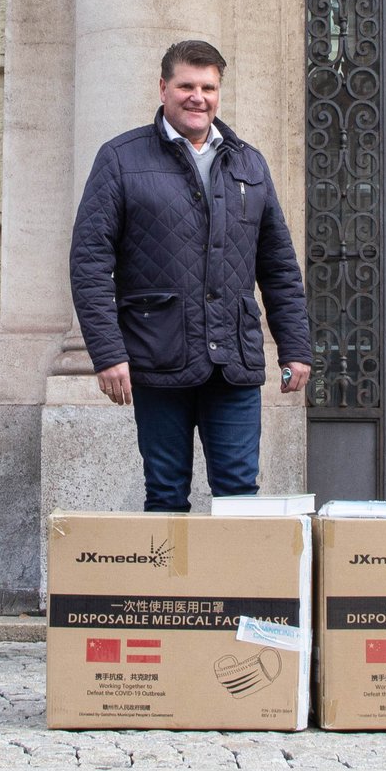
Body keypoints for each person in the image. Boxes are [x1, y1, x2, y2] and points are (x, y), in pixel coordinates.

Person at [70, 39, 314, 511]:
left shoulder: (249, 162)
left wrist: (296, 348)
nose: (197, 96)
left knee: (241, 494)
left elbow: (279, 266)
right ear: (163, 88)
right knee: (164, 492)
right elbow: (90, 262)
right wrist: (106, 353)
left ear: (219, 92)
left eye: (208, 87)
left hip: (234, 361)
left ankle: (234, 588)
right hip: (158, 357)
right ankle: (170, 588)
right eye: (186, 85)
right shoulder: (120, 158)